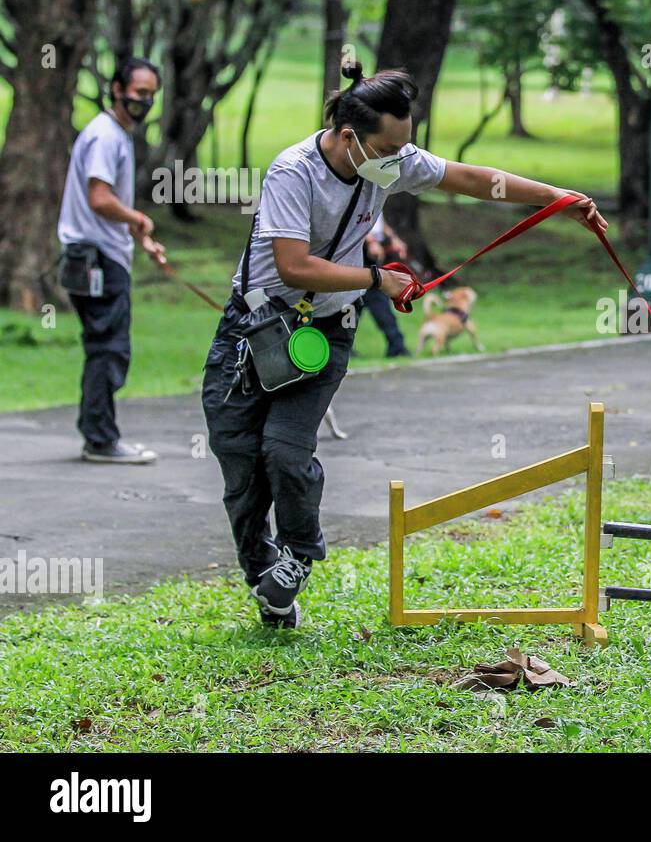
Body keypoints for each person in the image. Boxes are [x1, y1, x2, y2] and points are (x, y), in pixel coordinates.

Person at [201, 62, 606, 629]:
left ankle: (297, 554)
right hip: (255, 329)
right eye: (390, 148)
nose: (401, 159)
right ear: (350, 138)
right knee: (238, 458)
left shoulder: (388, 159)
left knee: (286, 451)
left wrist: (557, 197)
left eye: (405, 147)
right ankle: (266, 574)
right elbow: (293, 265)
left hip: (322, 331)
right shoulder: (292, 173)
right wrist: (375, 280)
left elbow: (470, 179)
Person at [57, 56, 166, 464]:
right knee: (109, 347)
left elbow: (105, 205)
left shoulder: (115, 133)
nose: (146, 101)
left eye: (152, 94)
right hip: (95, 259)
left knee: (105, 346)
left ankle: (98, 433)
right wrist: (137, 217)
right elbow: (99, 199)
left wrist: (141, 237)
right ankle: (101, 439)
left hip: (101, 253)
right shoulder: (105, 135)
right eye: (139, 93)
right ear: (117, 89)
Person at [358, 217, 412, 357]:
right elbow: (356, 221)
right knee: (350, 307)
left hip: (374, 256)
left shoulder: (377, 195)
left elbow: (378, 221)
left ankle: (396, 346)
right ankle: (342, 347)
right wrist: (371, 241)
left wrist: (394, 238)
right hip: (359, 255)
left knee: (380, 305)